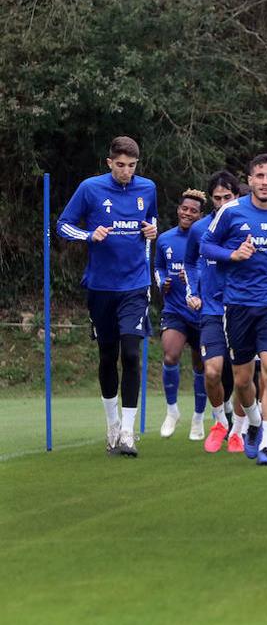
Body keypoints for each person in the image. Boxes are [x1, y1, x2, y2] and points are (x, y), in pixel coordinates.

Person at [56, 136, 158, 457]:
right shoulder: (90, 188)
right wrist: (89, 234)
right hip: (101, 287)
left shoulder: (148, 189)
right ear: (109, 162)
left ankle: (128, 433)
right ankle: (112, 426)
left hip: (135, 285)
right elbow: (63, 226)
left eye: (132, 166)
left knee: (130, 353)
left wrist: (151, 231)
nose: (126, 171)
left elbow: (150, 223)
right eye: (121, 165)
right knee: (107, 355)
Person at [201, 154, 267, 466]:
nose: (265, 182)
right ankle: (254, 424)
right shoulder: (231, 212)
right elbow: (206, 246)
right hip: (238, 305)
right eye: (259, 176)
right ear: (249, 180)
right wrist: (233, 254)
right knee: (243, 380)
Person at [185, 171, 243, 453]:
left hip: (242, 308)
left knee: (245, 377)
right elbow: (190, 262)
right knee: (211, 372)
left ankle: (243, 429)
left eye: (228, 198)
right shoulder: (199, 230)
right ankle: (220, 422)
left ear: (238, 197)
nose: (222, 203)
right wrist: (193, 292)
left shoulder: (247, 226)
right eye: (217, 198)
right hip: (210, 310)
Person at [154, 189, 209, 439]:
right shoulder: (165, 239)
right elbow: (158, 267)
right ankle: (172, 411)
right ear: (179, 209)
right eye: (184, 208)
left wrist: (196, 280)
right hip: (175, 309)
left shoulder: (206, 239)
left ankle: (198, 419)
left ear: (200, 216)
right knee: (170, 355)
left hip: (200, 312)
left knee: (202, 366)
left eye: (193, 211)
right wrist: (163, 282)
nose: (187, 213)